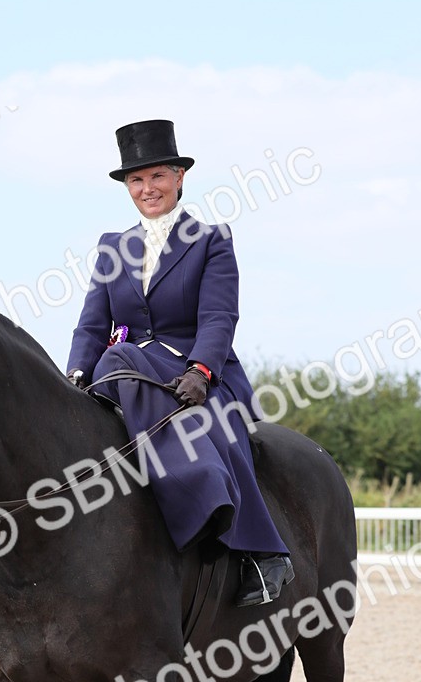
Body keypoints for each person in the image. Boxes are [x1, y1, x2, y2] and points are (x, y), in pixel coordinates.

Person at [66, 119, 293, 607]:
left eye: (156, 178)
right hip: (127, 373)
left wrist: (201, 371)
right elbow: (90, 325)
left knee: (213, 421)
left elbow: (218, 316)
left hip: (192, 373)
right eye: (136, 180)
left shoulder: (211, 240)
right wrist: (74, 377)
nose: (147, 189)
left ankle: (260, 550)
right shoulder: (112, 246)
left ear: (179, 178)